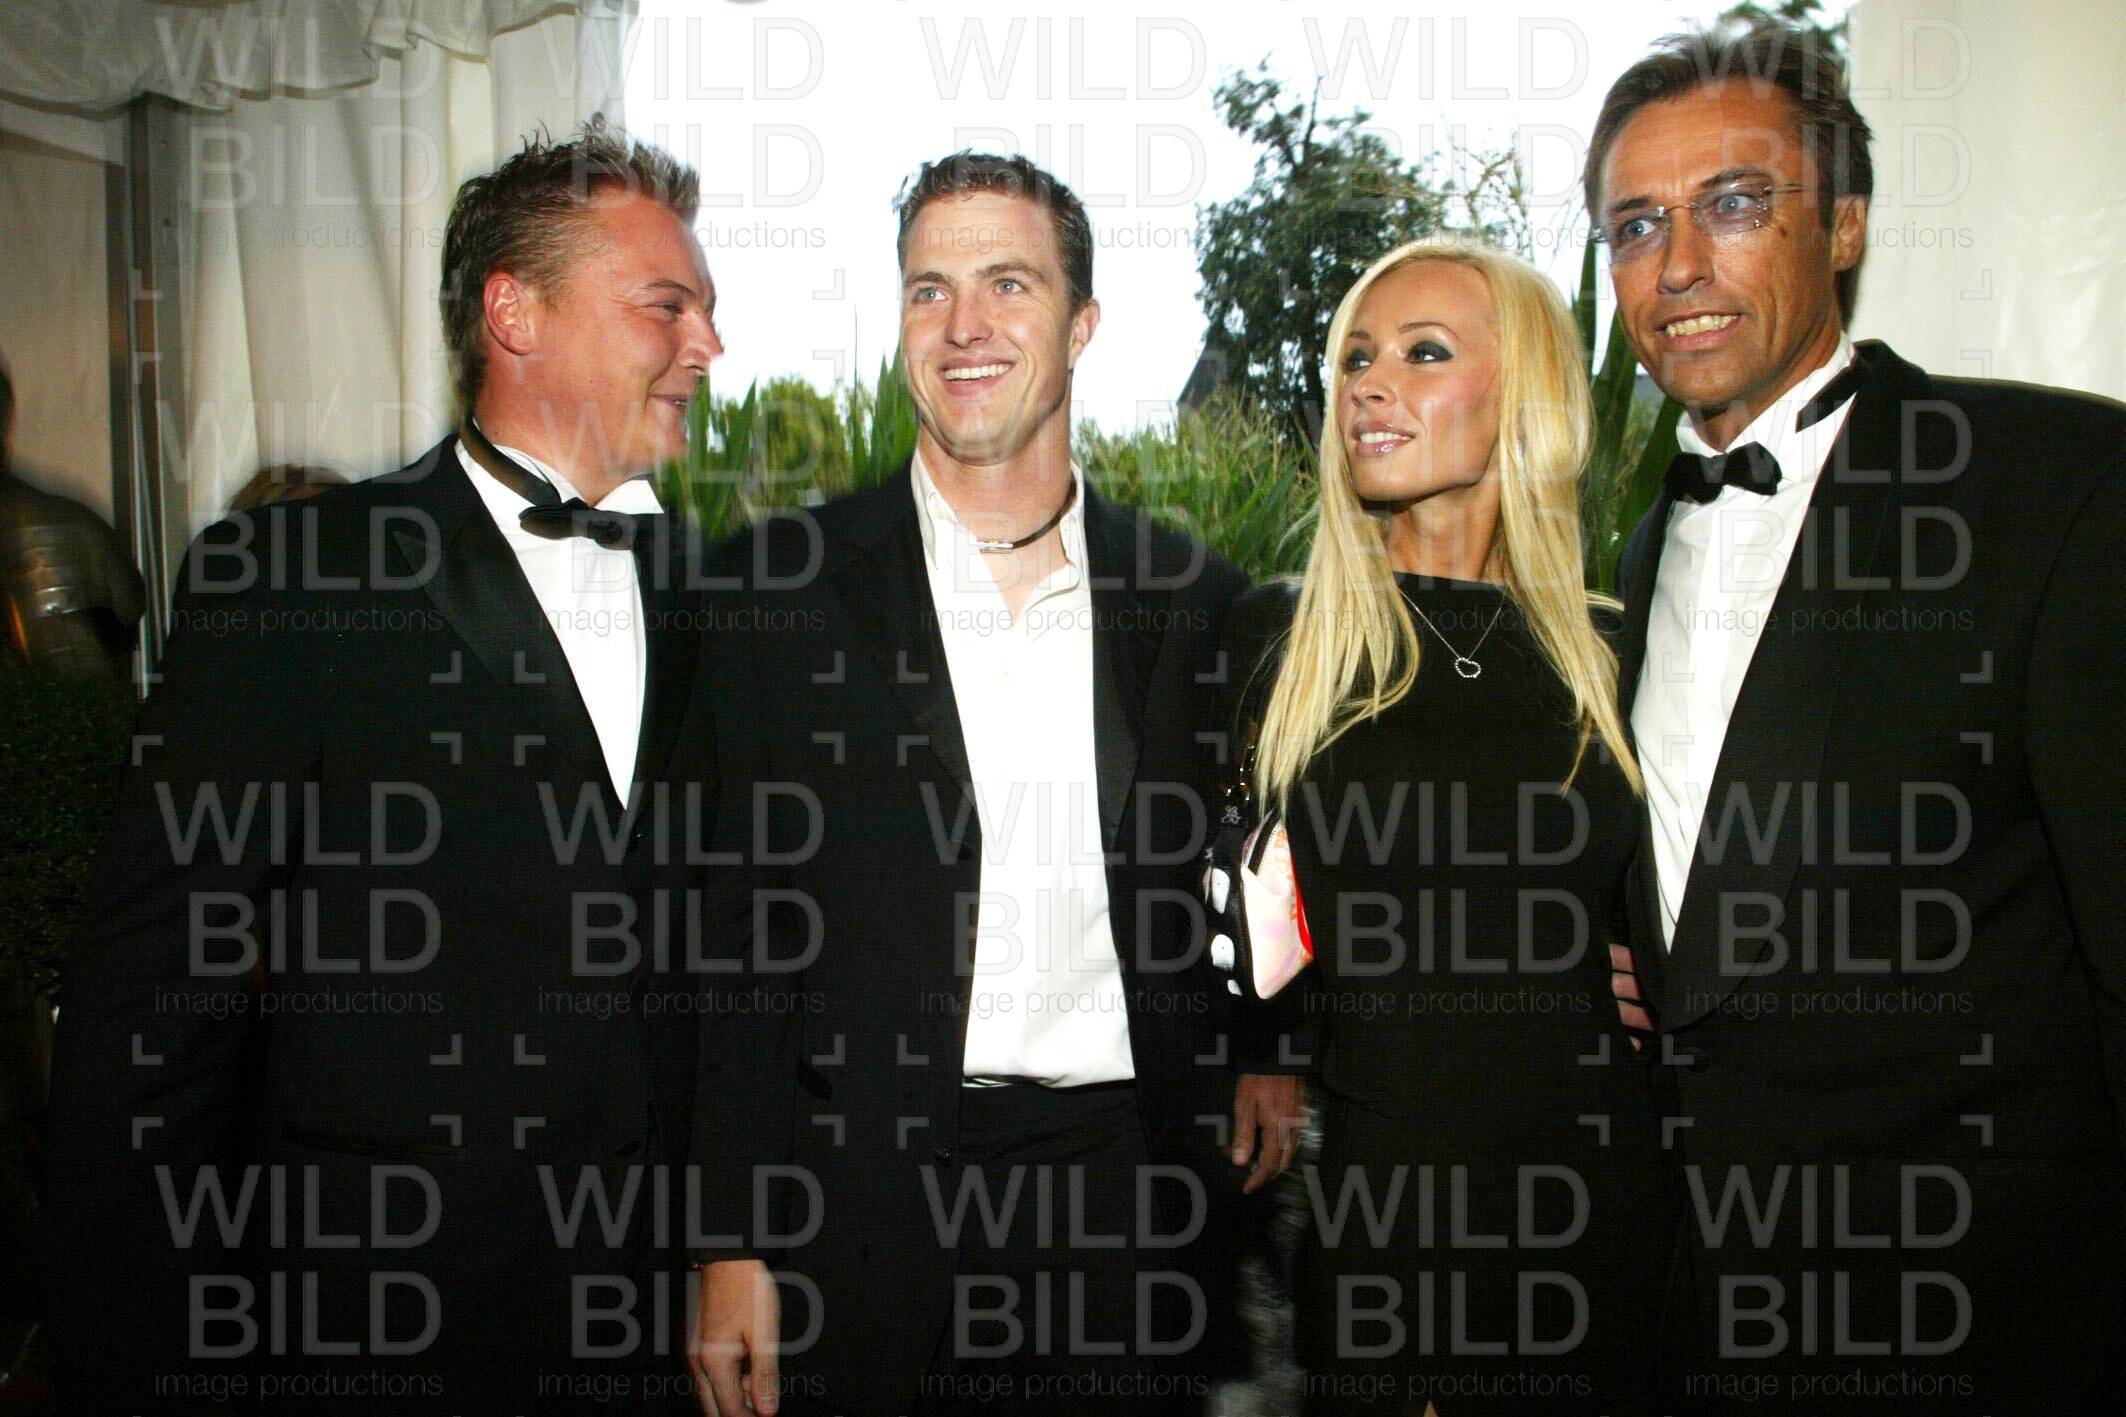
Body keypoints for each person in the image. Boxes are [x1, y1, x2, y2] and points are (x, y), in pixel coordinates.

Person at [37, 116, 723, 1413]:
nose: (706, 346)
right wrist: (133, 1357)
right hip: (383, 1319)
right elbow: (149, 1007)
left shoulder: (706, 597)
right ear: (514, 313)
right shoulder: (296, 578)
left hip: (646, 1325)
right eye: (665, 306)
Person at [684, 151, 1302, 1417]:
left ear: (1080, 325)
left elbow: (1255, 852)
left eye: (1007, 284)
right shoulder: (774, 593)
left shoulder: (1193, 601)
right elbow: (729, 944)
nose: (963, 324)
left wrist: (1271, 1050)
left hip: (1124, 1204)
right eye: (929, 290)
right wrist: (728, 1240)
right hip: (857, 1202)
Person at [1591, 23, 2126, 1413]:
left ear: (1842, 225)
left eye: (1731, 203)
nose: (1677, 265)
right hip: (1705, 1309)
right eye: (1635, 225)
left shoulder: (2053, 485)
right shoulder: (1636, 557)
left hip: (1989, 1316)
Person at [1212, 238, 1668, 1416]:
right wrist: (1264, 1049)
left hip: (1607, 1200)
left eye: (1421, 353)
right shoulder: (1282, 640)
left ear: (1525, 392)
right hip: (1391, 1214)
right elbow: (1230, 915)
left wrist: (1674, 972)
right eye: (1354, 358)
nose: (1369, 384)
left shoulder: (1616, 649)